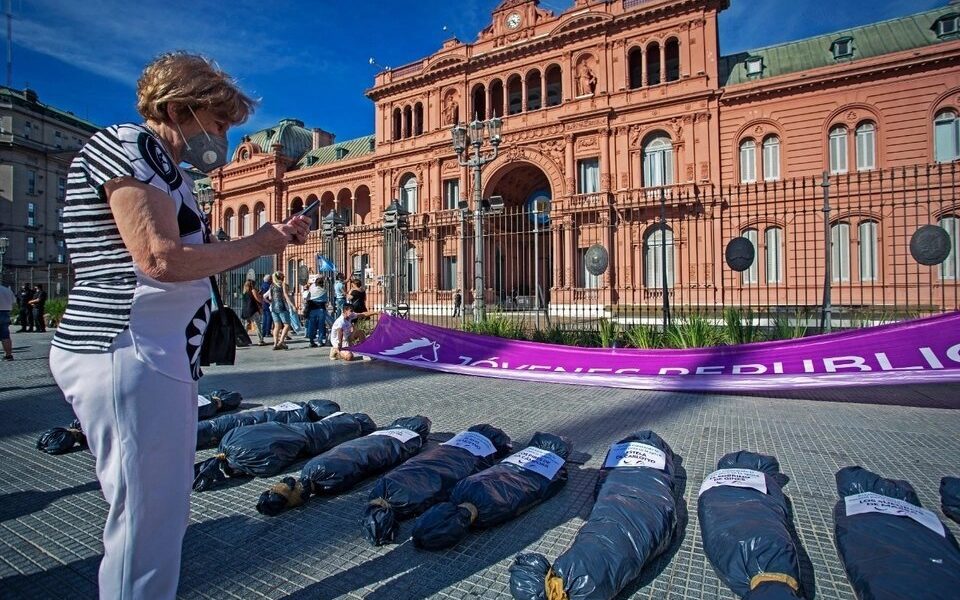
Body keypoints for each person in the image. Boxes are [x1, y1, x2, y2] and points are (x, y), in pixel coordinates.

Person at [47, 52, 310, 600]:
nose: (222, 138)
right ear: (178, 108)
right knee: (146, 517)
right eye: (218, 123)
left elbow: (197, 254)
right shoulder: (129, 144)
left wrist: (268, 238)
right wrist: (257, 243)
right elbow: (159, 259)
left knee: (161, 512)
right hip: (125, 346)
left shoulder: (172, 173)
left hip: (157, 351)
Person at [269, 271, 294, 350]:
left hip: (273, 307)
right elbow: (286, 295)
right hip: (282, 306)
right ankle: (281, 341)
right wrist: (292, 305)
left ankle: (275, 343)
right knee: (287, 324)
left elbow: (270, 297)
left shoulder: (272, 285)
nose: (284, 278)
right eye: (283, 276)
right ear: (280, 277)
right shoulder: (283, 284)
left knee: (277, 326)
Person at [302, 275, 328, 347]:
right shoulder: (324, 291)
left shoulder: (311, 290)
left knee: (311, 325)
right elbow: (326, 300)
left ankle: (311, 341)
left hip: (312, 309)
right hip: (321, 309)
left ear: (316, 283)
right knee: (321, 325)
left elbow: (307, 298)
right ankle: (320, 340)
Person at [240, 280, 265, 345]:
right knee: (257, 324)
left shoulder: (244, 291)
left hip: (245, 310)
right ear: (252, 285)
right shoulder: (253, 290)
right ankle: (260, 340)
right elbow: (258, 299)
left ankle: (243, 340)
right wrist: (262, 301)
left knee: (246, 325)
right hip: (252, 309)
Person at [0, 283, 14, 360]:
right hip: (5, 312)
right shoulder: (7, 290)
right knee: (5, 335)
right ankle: (8, 355)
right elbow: (14, 302)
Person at [259, 274, 273, 339]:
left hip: (264, 304)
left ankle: (263, 332)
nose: (272, 280)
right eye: (271, 279)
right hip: (268, 304)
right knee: (269, 318)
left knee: (264, 318)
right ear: (269, 279)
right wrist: (270, 302)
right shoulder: (268, 286)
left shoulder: (262, 285)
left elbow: (260, 293)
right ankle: (268, 332)